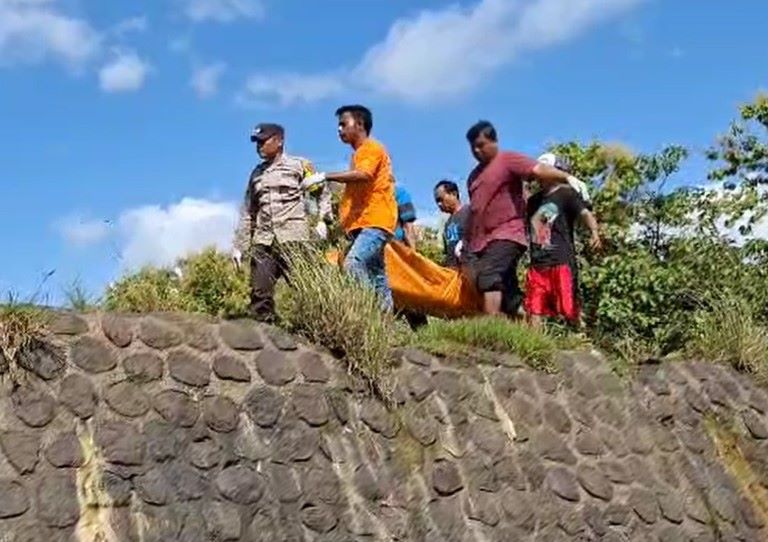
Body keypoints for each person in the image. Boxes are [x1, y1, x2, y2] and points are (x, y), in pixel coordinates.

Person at [463, 120, 581, 317]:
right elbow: (475, 210)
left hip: (507, 235)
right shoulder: (473, 177)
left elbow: (538, 170)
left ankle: (489, 329)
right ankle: (524, 325)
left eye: (481, 145)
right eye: (473, 147)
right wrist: (466, 239)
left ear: (494, 142)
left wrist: (566, 178)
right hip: (481, 242)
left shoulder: (508, 160)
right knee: (506, 293)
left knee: (489, 276)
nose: (476, 150)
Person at [233, 122, 331, 322]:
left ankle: (318, 333)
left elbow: (322, 192)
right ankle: (265, 339)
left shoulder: (299, 165)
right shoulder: (256, 174)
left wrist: (323, 221)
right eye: (256, 142)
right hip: (264, 241)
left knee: (308, 289)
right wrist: (239, 246)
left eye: (263, 141)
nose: (259, 146)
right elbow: (248, 212)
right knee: (260, 293)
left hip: (294, 239)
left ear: (279, 141)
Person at [302, 105, 397, 310]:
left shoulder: (372, 148)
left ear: (360, 124)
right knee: (377, 276)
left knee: (353, 263)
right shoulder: (358, 154)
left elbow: (365, 175)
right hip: (363, 223)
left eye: (343, 124)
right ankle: (384, 325)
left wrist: (324, 176)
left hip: (375, 221)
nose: (339, 129)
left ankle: (368, 313)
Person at [524, 155, 601, 327]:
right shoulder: (533, 201)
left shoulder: (567, 194)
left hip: (561, 260)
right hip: (538, 263)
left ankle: (578, 338)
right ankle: (534, 344)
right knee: (534, 308)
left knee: (569, 307)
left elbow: (585, 214)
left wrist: (594, 233)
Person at [434, 179, 470, 267]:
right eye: (437, 201)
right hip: (453, 272)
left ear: (453, 194)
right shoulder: (447, 224)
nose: (439, 204)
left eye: (440, 199)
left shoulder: (470, 213)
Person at [394, 183, 418, 249]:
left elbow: (408, 228)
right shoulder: (400, 193)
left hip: (395, 246)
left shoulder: (399, 193)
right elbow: (408, 229)